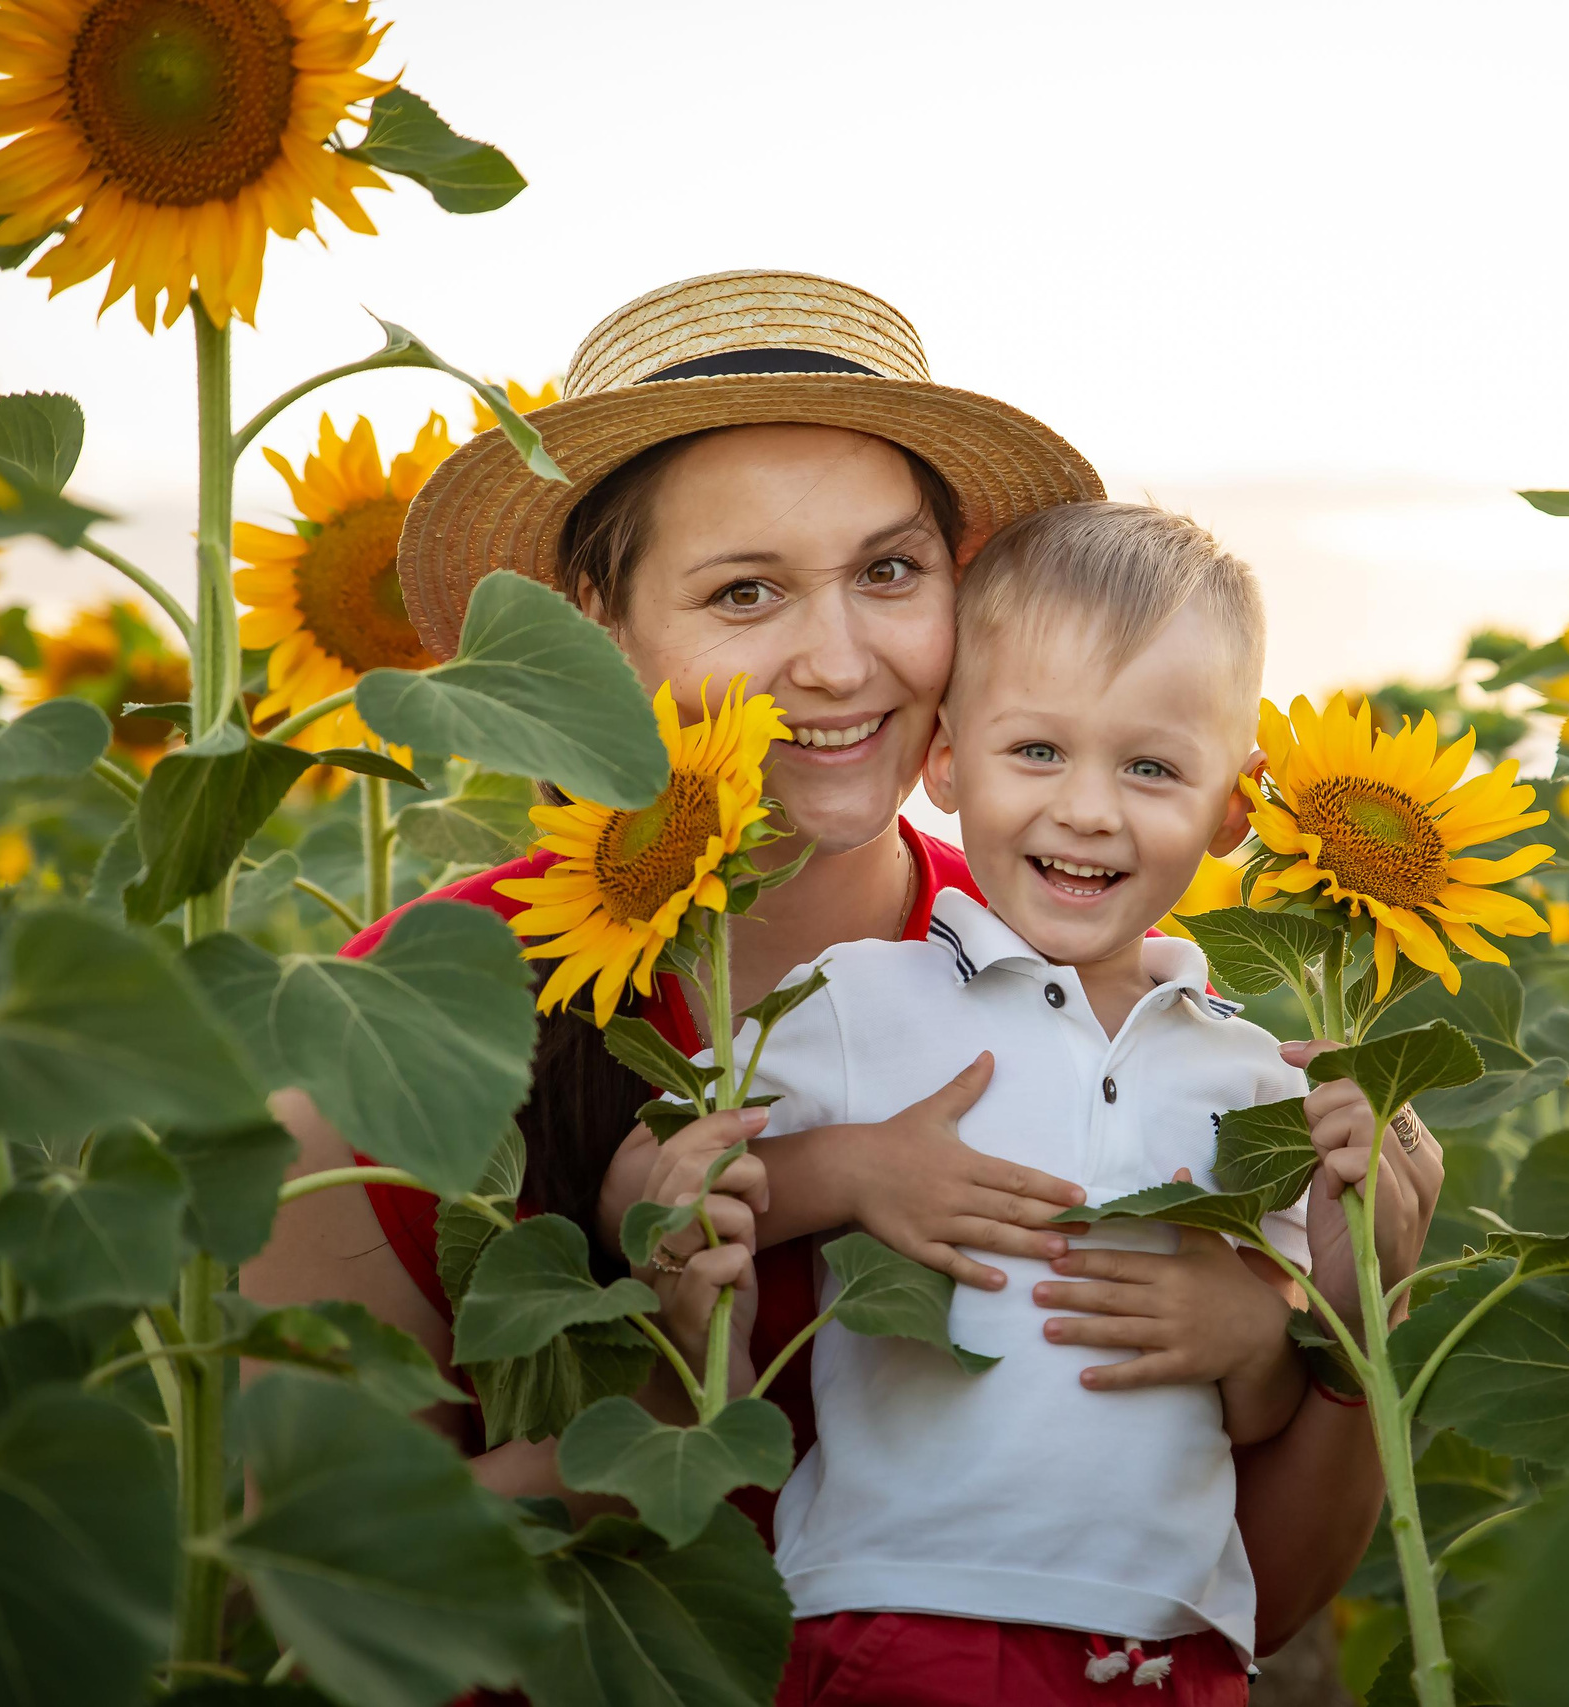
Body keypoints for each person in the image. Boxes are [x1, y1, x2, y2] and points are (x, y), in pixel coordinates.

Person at [242, 271, 1447, 1659]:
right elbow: (321, 1594)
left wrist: (1343, 1327)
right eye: (744, 591)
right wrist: (680, 1400)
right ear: (594, 623)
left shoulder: (1098, 993)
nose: (837, 659)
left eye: (889, 572)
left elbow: (1240, 1592)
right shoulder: (424, 1009)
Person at [727, 502, 1306, 1704]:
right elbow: (675, 1190)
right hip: (900, 1607)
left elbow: (1271, 1403)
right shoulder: (855, 999)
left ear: (1234, 810)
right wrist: (848, 1174)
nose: (1088, 809)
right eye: (1037, 752)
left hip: (1169, 1636)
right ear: (945, 758)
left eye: (1150, 768)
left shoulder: (1249, 1077)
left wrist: (1253, 1334)